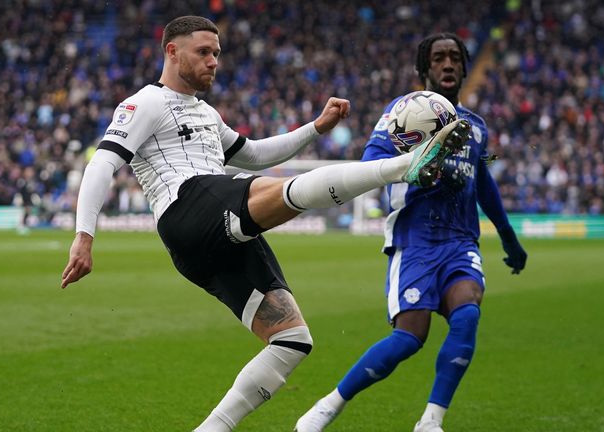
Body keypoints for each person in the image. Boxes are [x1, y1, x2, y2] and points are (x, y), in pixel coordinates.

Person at [60, 17, 470, 432]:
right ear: (172, 51)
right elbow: (104, 162)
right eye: (203, 52)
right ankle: (403, 166)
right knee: (279, 190)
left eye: (217, 53)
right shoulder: (145, 102)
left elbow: (254, 154)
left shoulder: (206, 113)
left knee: (292, 341)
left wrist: (315, 128)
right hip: (185, 208)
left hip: (207, 244)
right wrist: (84, 236)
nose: (213, 61)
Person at [295, 33, 528, 432]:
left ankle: (431, 421)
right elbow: (372, 160)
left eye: (455, 57)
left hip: (459, 241)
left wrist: (508, 237)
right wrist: (415, 160)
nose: (448, 64)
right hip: (415, 240)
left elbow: (482, 181)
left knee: (468, 314)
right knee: (409, 338)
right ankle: (329, 405)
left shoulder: (475, 126)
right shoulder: (404, 112)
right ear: (424, 69)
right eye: (438, 58)